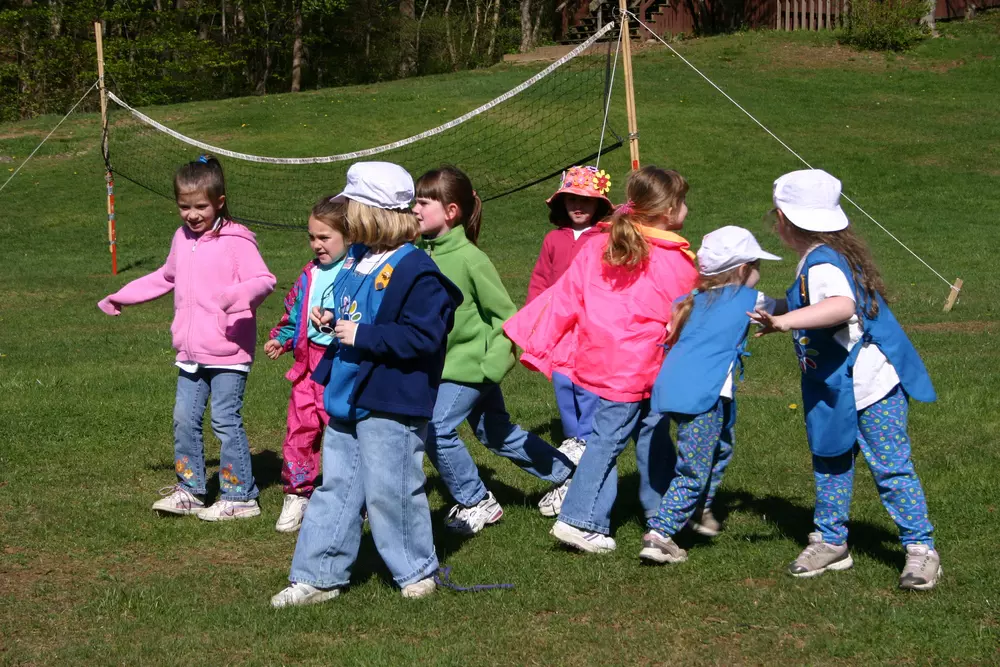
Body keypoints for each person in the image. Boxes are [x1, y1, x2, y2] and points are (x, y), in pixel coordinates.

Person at [271, 162, 462, 608]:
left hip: (391, 398)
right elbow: (361, 315)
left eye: (352, 206)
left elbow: (425, 336)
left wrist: (363, 336)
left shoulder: (416, 270)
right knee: (335, 486)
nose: (346, 215)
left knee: (392, 488)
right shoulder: (357, 260)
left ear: (375, 213)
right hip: (348, 392)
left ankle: (416, 569)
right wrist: (335, 321)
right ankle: (319, 576)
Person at [750, 169, 941, 591]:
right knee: (831, 459)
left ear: (782, 220)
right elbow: (813, 301)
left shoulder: (821, 263)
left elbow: (839, 305)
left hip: (869, 384)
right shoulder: (823, 256)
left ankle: (921, 548)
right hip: (834, 384)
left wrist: (782, 322)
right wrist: (768, 303)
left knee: (891, 468)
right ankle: (832, 541)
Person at [505, 166, 699, 553]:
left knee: (651, 435)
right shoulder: (673, 261)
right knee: (606, 442)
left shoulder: (601, 243)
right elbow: (689, 319)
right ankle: (579, 519)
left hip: (608, 361)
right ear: (667, 210)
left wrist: (538, 340)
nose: (687, 209)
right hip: (636, 368)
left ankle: (666, 516)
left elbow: (564, 297)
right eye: (682, 202)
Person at [98, 155, 276, 521]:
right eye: (184, 206)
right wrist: (121, 295)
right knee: (184, 419)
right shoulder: (182, 239)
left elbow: (264, 280)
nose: (192, 215)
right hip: (191, 351)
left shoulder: (236, 240)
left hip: (229, 350)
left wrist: (237, 298)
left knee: (225, 420)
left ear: (219, 202)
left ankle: (240, 495)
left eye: (200, 206)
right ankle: (191, 490)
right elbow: (165, 277)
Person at [413, 166, 575, 535]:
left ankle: (476, 500)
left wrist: (491, 364)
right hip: (442, 366)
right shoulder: (422, 254)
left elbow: (507, 315)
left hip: (470, 367)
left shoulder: (471, 259)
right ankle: (567, 476)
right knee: (495, 432)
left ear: (451, 211)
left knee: (437, 429)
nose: (416, 210)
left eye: (424, 202)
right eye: (415, 202)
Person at [640, 226, 783, 564]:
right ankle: (661, 534)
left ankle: (698, 510)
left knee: (720, 446)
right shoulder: (749, 298)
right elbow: (785, 307)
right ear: (743, 269)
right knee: (694, 467)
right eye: (757, 264)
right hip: (704, 395)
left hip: (676, 389)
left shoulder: (688, 300)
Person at [264, 197, 349, 533]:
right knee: (300, 427)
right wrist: (282, 339)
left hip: (340, 364)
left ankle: (352, 496)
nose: (317, 245)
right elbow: (294, 314)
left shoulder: (355, 272)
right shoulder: (308, 274)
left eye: (325, 237)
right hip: (307, 363)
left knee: (342, 431)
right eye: (312, 237)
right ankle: (298, 492)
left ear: (349, 234)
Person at [526, 166, 613, 458]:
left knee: (586, 380)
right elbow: (540, 278)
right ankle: (571, 434)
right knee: (562, 380)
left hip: (591, 323)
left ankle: (587, 435)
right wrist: (534, 315)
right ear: (562, 203)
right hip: (557, 322)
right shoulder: (553, 239)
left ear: (598, 205)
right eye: (572, 199)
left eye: (586, 200)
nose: (578, 205)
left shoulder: (604, 239)